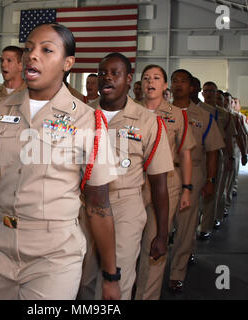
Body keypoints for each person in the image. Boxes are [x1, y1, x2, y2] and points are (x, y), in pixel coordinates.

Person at [0, 23, 121, 300]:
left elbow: (99, 204)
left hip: (55, 254)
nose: (32, 55)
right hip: (0, 248)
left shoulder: (87, 120)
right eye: (29, 48)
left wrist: (111, 275)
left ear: (68, 63)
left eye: (46, 50)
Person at [78, 54, 173, 300]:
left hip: (125, 205)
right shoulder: (82, 116)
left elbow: (159, 184)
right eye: (102, 73)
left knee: (115, 280)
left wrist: (162, 234)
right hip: (84, 205)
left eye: (114, 73)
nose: (106, 77)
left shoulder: (148, 121)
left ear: (129, 79)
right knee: (82, 277)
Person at [135, 65, 196, 300]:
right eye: (146, 77)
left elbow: (186, 153)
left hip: (167, 185)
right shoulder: (130, 110)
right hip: (133, 184)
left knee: (155, 244)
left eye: (156, 78)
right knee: (127, 242)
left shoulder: (177, 114)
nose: (151, 81)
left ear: (164, 86)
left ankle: (146, 296)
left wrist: (187, 189)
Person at [167, 69, 224, 293]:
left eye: (183, 81)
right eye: (175, 81)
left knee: (186, 226)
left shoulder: (203, 116)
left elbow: (212, 151)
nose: (178, 85)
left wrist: (210, 180)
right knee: (157, 226)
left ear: (192, 88)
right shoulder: (159, 113)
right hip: (165, 171)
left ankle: (177, 273)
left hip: (194, 171)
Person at [0, 46, 26, 218]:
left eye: (9, 60)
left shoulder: (29, 95)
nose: (4, 64)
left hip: (18, 163)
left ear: (20, 65)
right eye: (2, 60)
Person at [198, 81, 236, 239]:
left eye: (211, 91)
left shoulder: (224, 114)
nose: (208, 94)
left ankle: (205, 227)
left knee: (213, 191)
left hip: (216, 154)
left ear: (216, 93)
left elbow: (228, 138)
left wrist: (230, 157)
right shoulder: (197, 111)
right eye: (205, 91)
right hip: (199, 155)